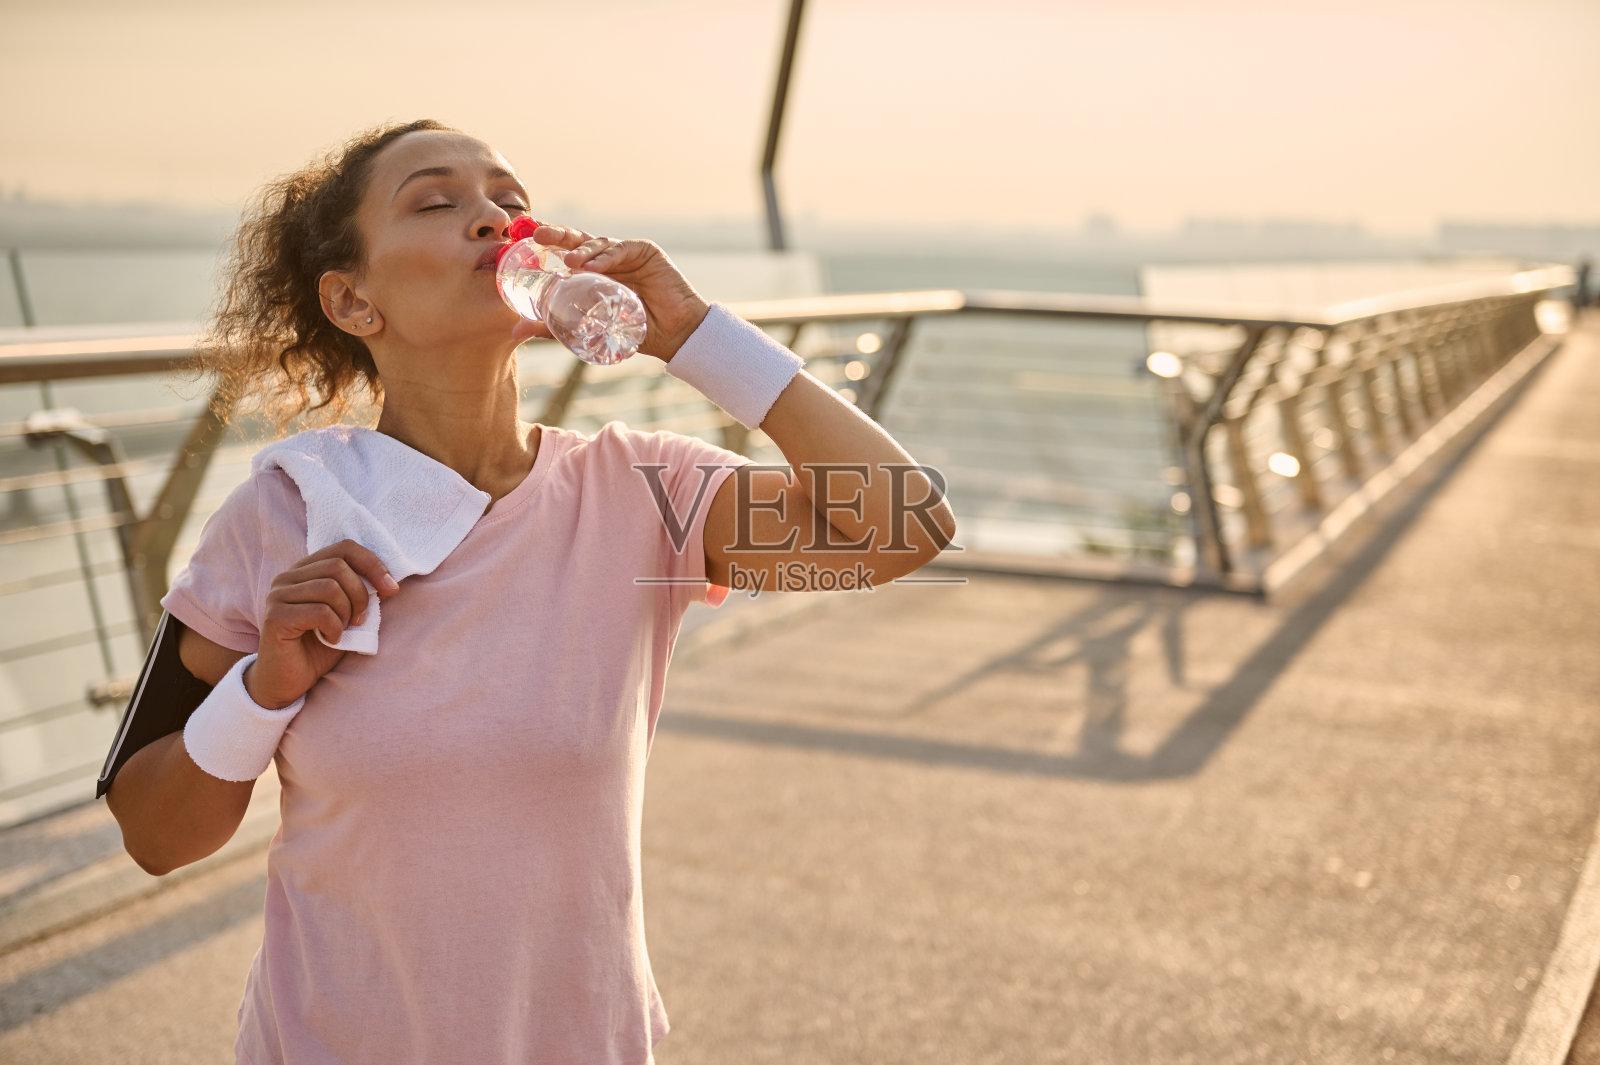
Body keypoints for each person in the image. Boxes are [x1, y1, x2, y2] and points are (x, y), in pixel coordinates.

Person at [102, 118, 956, 1065]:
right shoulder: (284, 510)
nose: (492, 219)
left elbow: (905, 525)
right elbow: (155, 835)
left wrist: (698, 337)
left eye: (510, 200)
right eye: (437, 202)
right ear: (351, 300)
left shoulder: (645, 492)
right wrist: (262, 687)